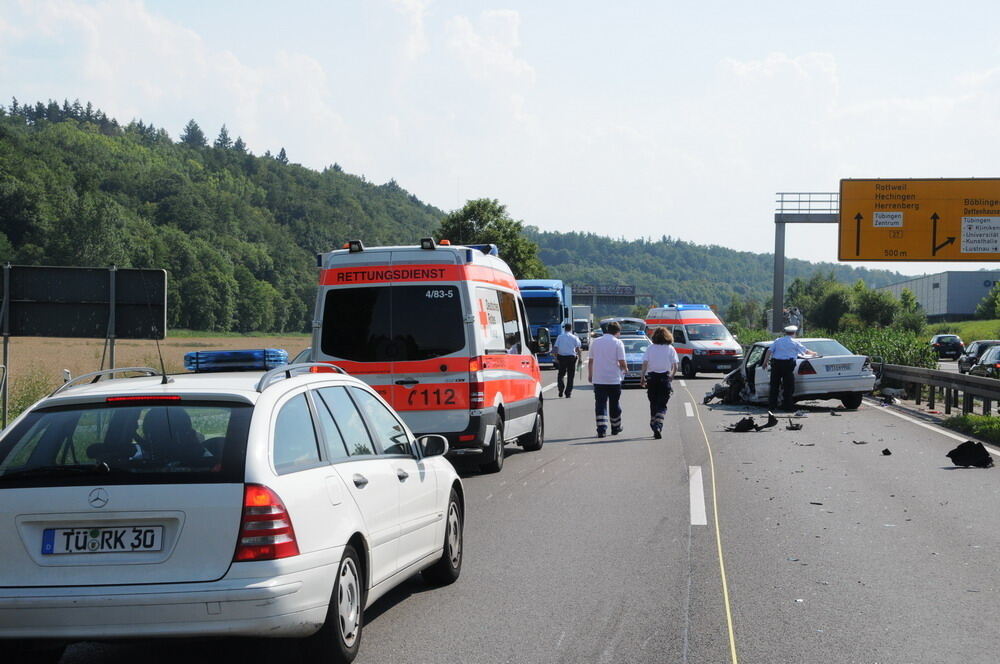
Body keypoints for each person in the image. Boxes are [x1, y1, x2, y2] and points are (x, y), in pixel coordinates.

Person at [588, 320, 627, 437]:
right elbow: (621, 361)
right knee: (614, 404)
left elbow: (590, 361)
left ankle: (601, 429)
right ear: (617, 332)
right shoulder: (618, 343)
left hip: (599, 379)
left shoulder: (595, 342)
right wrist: (625, 369)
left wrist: (590, 375)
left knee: (600, 404)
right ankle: (615, 427)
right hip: (614, 379)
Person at [640, 327, 679, 439]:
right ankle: (658, 425)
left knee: (653, 402)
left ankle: (653, 423)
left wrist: (642, 377)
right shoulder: (670, 349)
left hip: (652, 379)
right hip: (664, 378)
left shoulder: (650, 348)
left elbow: (645, 364)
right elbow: (675, 365)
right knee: (662, 405)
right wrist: (671, 376)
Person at [768, 325, 817, 411]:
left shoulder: (778, 340)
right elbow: (805, 351)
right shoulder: (795, 342)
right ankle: (787, 407)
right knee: (788, 387)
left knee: (774, 386)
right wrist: (814, 353)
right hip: (787, 366)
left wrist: (765, 362)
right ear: (794, 333)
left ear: (785, 332)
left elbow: (769, 351)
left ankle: (772, 407)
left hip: (776, 365)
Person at [553, 323, 582, 398]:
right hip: (571, 358)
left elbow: (555, 348)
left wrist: (555, 358)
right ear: (571, 328)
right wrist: (580, 358)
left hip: (561, 357)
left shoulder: (560, 337)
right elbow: (578, 348)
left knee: (561, 374)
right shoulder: (574, 337)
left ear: (564, 328)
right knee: (570, 376)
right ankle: (568, 392)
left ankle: (561, 389)